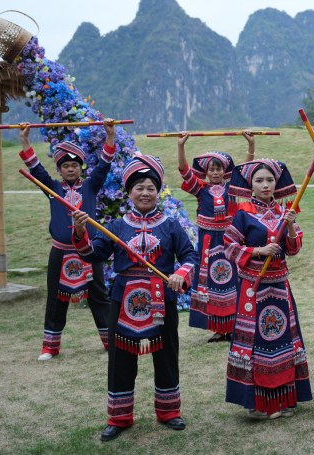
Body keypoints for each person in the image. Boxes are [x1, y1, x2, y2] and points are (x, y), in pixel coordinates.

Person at [71, 154, 197, 441]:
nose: (145, 192)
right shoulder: (115, 227)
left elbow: (190, 255)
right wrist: (80, 231)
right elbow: (93, 254)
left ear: (158, 192)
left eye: (151, 187)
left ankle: (169, 411)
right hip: (123, 299)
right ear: (129, 192)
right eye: (139, 187)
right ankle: (120, 416)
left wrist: (181, 273)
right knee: (120, 358)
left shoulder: (170, 225)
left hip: (160, 299)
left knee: (166, 355)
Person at [223, 159, 312, 419]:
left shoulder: (286, 212)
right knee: (256, 342)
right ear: (250, 184)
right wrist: (258, 251)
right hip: (254, 287)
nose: (265, 185)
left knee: (282, 339)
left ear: (277, 183)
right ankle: (256, 402)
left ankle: (284, 398)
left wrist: (292, 224)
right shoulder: (243, 213)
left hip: (280, 287)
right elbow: (229, 246)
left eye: (270, 180)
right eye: (259, 180)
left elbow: (294, 250)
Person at [19, 121, 115, 361]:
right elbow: (36, 169)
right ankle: (50, 347)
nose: (71, 169)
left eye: (75, 165)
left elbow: (103, 166)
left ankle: (110, 342)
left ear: (80, 168)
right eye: (66, 166)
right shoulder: (51, 188)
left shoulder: (91, 186)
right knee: (55, 298)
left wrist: (110, 135)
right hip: (60, 253)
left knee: (99, 296)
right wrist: (25, 140)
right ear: (60, 169)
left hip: (88, 252)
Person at [178, 131, 255, 342]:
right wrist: (181, 146)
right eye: (211, 169)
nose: (215, 172)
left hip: (229, 242)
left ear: (224, 171)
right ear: (206, 171)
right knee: (211, 284)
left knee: (233, 282)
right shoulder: (200, 189)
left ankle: (233, 327)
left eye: (218, 168)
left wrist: (250, 146)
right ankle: (218, 329)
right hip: (208, 243)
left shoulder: (232, 188)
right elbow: (184, 171)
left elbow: (245, 171)